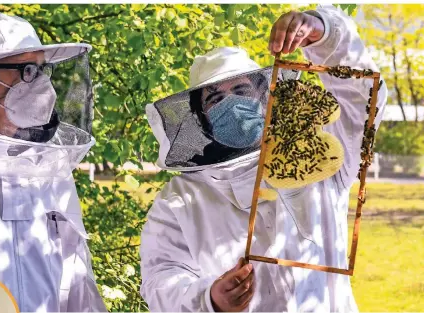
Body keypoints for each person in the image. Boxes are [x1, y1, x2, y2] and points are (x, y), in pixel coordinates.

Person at [141, 5, 388, 312]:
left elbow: (364, 100)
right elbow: (161, 276)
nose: (231, 104)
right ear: (201, 118)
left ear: (263, 97)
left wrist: (324, 35)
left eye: (241, 90)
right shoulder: (179, 200)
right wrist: (209, 299)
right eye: (216, 99)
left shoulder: (317, 158)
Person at [0, 9, 106, 312]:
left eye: (43, 71)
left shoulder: (50, 172)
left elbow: (77, 284)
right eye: (28, 71)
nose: (43, 84)